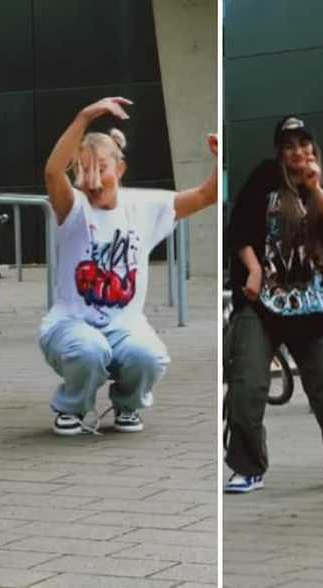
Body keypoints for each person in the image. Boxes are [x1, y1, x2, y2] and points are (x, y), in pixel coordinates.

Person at [40, 97, 218, 436]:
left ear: (119, 170)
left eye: (101, 168)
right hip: (70, 324)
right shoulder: (73, 208)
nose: (91, 179)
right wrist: (85, 115)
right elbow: (51, 171)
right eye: (82, 168)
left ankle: (127, 404)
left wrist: (219, 159)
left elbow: (206, 196)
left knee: (148, 356)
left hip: (124, 324)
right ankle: (73, 406)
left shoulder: (145, 207)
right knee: (89, 350)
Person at [223, 116, 323, 493]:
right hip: (261, 302)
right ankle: (247, 466)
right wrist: (253, 270)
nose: (298, 152)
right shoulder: (263, 177)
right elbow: (238, 228)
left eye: (304, 145)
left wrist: (315, 186)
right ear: (279, 151)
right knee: (247, 384)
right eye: (290, 146)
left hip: (311, 305)